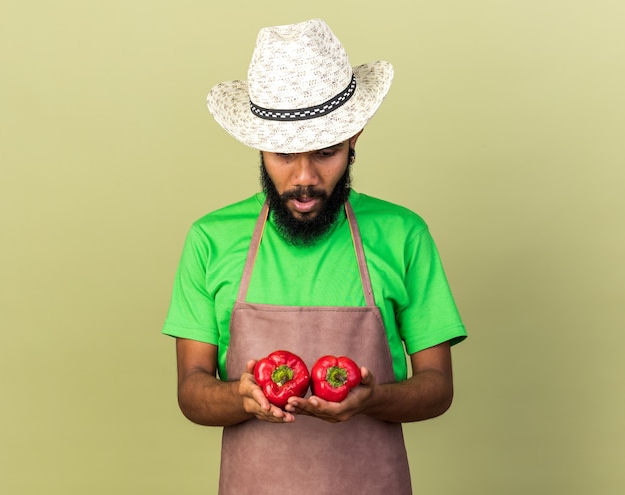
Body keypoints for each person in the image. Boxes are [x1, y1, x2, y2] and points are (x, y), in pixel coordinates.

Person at [162, 18, 467, 495]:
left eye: (325, 152)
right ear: (259, 144)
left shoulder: (403, 234)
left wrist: (371, 399)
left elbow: (438, 387)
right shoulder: (211, 238)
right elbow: (191, 392)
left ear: (355, 136)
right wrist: (241, 398)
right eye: (284, 154)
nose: (305, 177)